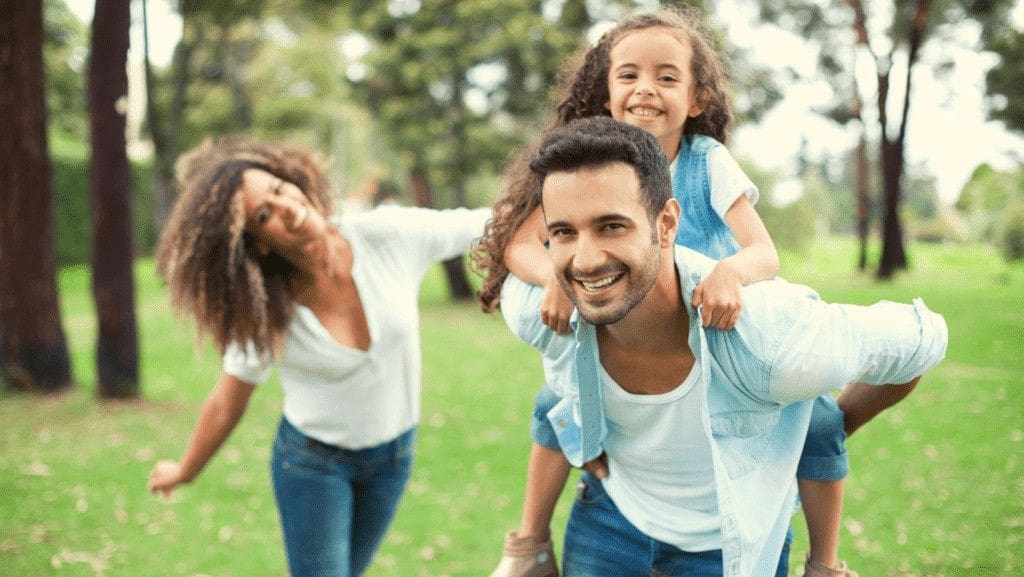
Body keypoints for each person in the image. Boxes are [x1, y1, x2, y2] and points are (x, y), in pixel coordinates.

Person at [475, 7, 884, 577]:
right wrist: (555, 278)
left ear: (695, 98)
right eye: (628, 75)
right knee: (555, 407)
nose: (646, 89)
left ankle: (825, 563)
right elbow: (518, 246)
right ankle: (529, 545)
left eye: (666, 77)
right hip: (623, 334)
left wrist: (728, 274)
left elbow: (763, 253)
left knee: (814, 421)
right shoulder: (587, 165)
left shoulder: (705, 163)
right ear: (605, 91)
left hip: (714, 331)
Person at [496, 116, 946, 577]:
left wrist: (827, 426)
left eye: (611, 226)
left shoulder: (770, 340)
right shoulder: (548, 313)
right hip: (608, 525)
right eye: (565, 233)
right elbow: (515, 272)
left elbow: (920, 338)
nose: (585, 261)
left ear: (667, 223)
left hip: (729, 549)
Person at [146, 138, 490, 577]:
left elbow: (487, 224)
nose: (284, 206)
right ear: (259, 243)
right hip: (313, 465)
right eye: (263, 215)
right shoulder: (266, 308)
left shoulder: (384, 235)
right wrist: (185, 470)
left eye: (277, 188)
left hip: (393, 457)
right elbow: (228, 400)